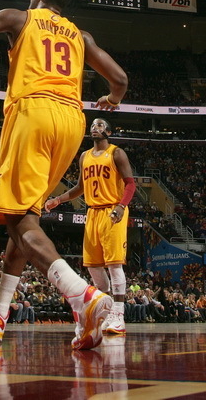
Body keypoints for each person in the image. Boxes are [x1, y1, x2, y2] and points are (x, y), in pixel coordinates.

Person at [0, 0, 128, 350]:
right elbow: (121, 79)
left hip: (33, 112)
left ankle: (81, 295)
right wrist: (110, 97)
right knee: (25, 215)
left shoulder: (19, 17)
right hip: (72, 123)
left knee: (16, 216)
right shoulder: (81, 35)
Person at [44, 117, 136, 336]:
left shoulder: (116, 153)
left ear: (109, 132)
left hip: (113, 210)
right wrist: (59, 200)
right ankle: (104, 308)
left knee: (114, 265)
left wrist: (122, 206)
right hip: (92, 212)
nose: (95, 128)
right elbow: (79, 187)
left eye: (101, 125)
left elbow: (131, 184)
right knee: (94, 266)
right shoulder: (84, 156)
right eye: (93, 125)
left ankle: (119, 315)